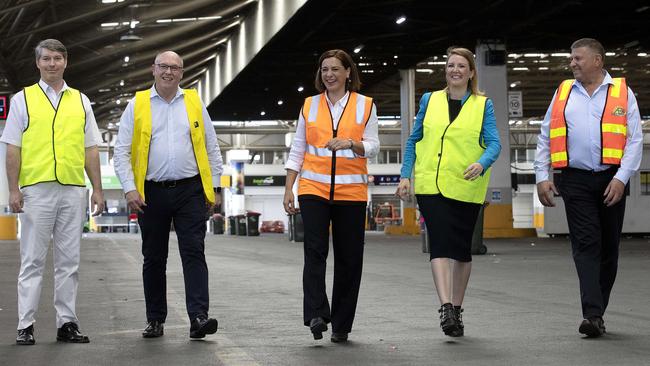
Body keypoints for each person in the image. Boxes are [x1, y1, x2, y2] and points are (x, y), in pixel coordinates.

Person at [534, 38, 642, 338]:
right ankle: (591, 314)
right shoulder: (564, 91)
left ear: (597, 61)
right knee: (586, 244)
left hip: (612, 178)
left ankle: (598, 312)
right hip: (575, 179)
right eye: (571, 58)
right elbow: (545, 135)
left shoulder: (622, 92)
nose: (572, 63)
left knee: (609, 249)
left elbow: (634, 141)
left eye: (578, 58)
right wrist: (542, 175)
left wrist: (621, 178)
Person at [114, 51, 223, 339]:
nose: (169, 72)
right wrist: (129, 187)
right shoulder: (137, 104)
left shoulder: (194, 102)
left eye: (175, 68)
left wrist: (215, 188)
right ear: (153, 69)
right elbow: (121, 151)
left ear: (181, 73)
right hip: (150, 193)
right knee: (153, 257)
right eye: (163, 66)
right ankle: (155, 320)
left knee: (194, 252)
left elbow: (211, 148)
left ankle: (199, 317)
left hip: (191, 190)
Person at [1, 39, 104, 345]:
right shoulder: (23, 100)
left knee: (69, 261)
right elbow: (12, 149)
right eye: (46, 59)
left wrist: (97, 189)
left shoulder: (81, 101)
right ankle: (25, 325)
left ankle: (67, 323)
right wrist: (13, 190)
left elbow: (91, 149)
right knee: (32, 260)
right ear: (38, 63)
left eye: (57, 58)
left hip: (73, 189)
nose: (52, 64)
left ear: (65, 62)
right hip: (37, 190)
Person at [396, 47, 501, 337]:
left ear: (470, 72)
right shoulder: (430, 100)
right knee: (439, 245)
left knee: (461, 251)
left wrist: (482, 163)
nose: (455, 70)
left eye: (461, 66)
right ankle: (446, 307)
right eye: (450, 65)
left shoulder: (483, 104)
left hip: (466, 187)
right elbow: (413, 140)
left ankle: (457, 307)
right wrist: (405, 175)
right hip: (431, 186)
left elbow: (494, 144)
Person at [283, 49, 379, 343]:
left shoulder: (365, 105)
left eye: (336, 69)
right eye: (325, 69)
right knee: (314, 250)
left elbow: (373, 145)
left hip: (351, 191)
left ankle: (341, 324)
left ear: (348, 72)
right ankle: (315, 313)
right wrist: (289, 187)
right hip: (313, 188)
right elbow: (298, 149)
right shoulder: (309, 105)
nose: (329, 74)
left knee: (350, 259)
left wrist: (352, 143)